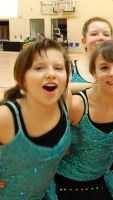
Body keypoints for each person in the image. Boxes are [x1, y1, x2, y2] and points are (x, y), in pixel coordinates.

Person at [54, 40, 113, 200]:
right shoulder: (77, 106)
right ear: (93, 72)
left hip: (100, 185)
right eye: (104, 68)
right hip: (64, 187)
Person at [0, 38, 71, 199]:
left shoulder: (65, 101)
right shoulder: (6, 117)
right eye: (39, 68)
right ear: (21, 77)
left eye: (59, 68)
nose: (51, 74)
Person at [69, 17, 113, 92]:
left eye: (106, 34)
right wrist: (96, 86)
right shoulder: (70, 68)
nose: (101, 37)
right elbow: (60, 89)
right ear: (84, 41)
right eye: (94, 34)